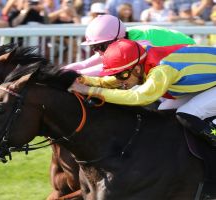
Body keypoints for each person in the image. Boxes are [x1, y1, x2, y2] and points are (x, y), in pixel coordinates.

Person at [69, 38, 216, 146]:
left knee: (187, 114)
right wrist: (82, 80)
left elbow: (139, 97)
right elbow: (111, 81)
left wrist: (89, 90)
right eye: (116, 75)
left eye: (121, 75)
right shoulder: (140, 63)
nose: (119, 80)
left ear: (137, 69)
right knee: (164, 113)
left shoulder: (161, 70)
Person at [63, 14, 195, 76]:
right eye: (94, 47)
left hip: (189, 61)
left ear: (115, 40)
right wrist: (56, 72)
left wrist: (76, 74)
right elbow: (85, 64)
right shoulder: (119, 37)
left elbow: (106, 69)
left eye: (101, 47)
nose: (98, 51)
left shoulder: (138, 43)